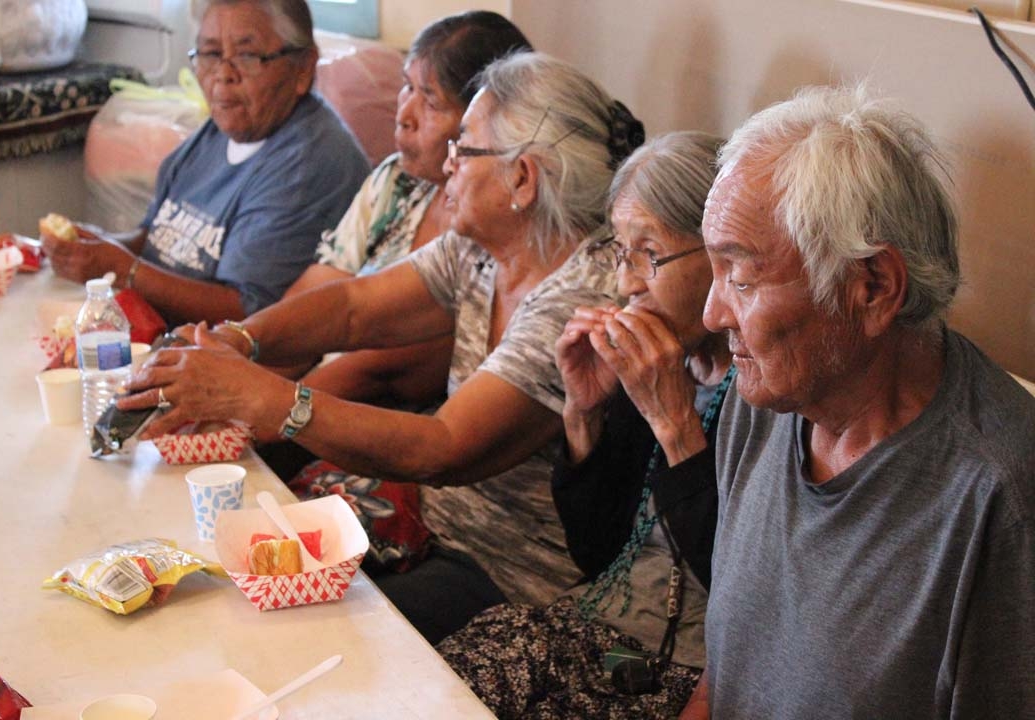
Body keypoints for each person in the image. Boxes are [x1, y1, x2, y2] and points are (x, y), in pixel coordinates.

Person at [121, 52, 645, 643]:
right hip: (431, 529)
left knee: (294, 634)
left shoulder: (579, 299)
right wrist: (237, 340)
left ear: (522, 178)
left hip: (513, 576)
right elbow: (354, 307)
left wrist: (264, 398)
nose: (447, 163)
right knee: (227, 574)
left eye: (464, 149)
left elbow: (443, 448)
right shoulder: (482, 248)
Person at [677, 85, 1035, 720]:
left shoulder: (998, 499)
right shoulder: (765, 399)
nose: (712, 313)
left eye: (742, 277)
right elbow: (729, 668)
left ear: (872, 287)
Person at [438, 132, 730, 719]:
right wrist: (584, 416)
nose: (627, 284)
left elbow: (743, 586)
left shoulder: (767, 389)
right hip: (605, 628)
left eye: (649, 254)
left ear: (722, 254)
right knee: (437, 682)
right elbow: (596, 553)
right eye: (622, 253)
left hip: (692, 665)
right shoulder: (661, 359)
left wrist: (676, 425)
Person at [256, 11, 533, 483]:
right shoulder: (397, 182)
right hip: (303, 406)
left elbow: (377, 371)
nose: (403, 114)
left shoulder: (488, 237)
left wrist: (257, 412)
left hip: (372, 432)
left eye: (431, 101)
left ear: (488, 127)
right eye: (407, 87)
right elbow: (325, 296)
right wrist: (236, 353)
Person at [41, 0, 369, 326]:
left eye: (247, 56)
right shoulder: (223, 129)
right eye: (211, 54)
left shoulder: (307, 165)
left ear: (303, 69)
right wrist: (96, 249)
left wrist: (122, 269)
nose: (223, 75)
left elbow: (247, 316)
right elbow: (155, 238)